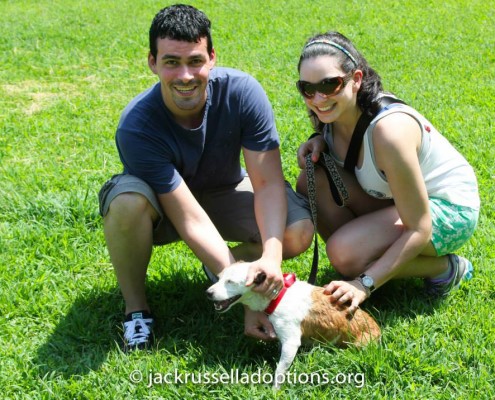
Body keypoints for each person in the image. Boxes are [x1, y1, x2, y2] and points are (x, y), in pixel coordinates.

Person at [98, 4, 313, 351]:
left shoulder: (243, 92)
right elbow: (187, 215)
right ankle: (136, 309)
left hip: (225, 189)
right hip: (163, 206)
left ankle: (224, 268)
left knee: (297, 230)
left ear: (212, 57)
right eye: (171, 62)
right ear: (152, 62)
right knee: (125, 203)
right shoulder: (136, 125)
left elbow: (268, 183)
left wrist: (271, 261)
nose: (185, 75)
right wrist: (245, 297)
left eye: (195, 60)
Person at [295, 31, 480, 315]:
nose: (318, 98)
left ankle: (446, 268)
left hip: (448, 208)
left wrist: (363, 284)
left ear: (356, 79)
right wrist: (318, 140)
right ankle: (368, 260)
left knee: (345, 253)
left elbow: (420, 226)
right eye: (307, 88)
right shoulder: (333, 117)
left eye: (330, 84)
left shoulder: (389, 131)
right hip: (399, 199)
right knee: (312, 181)